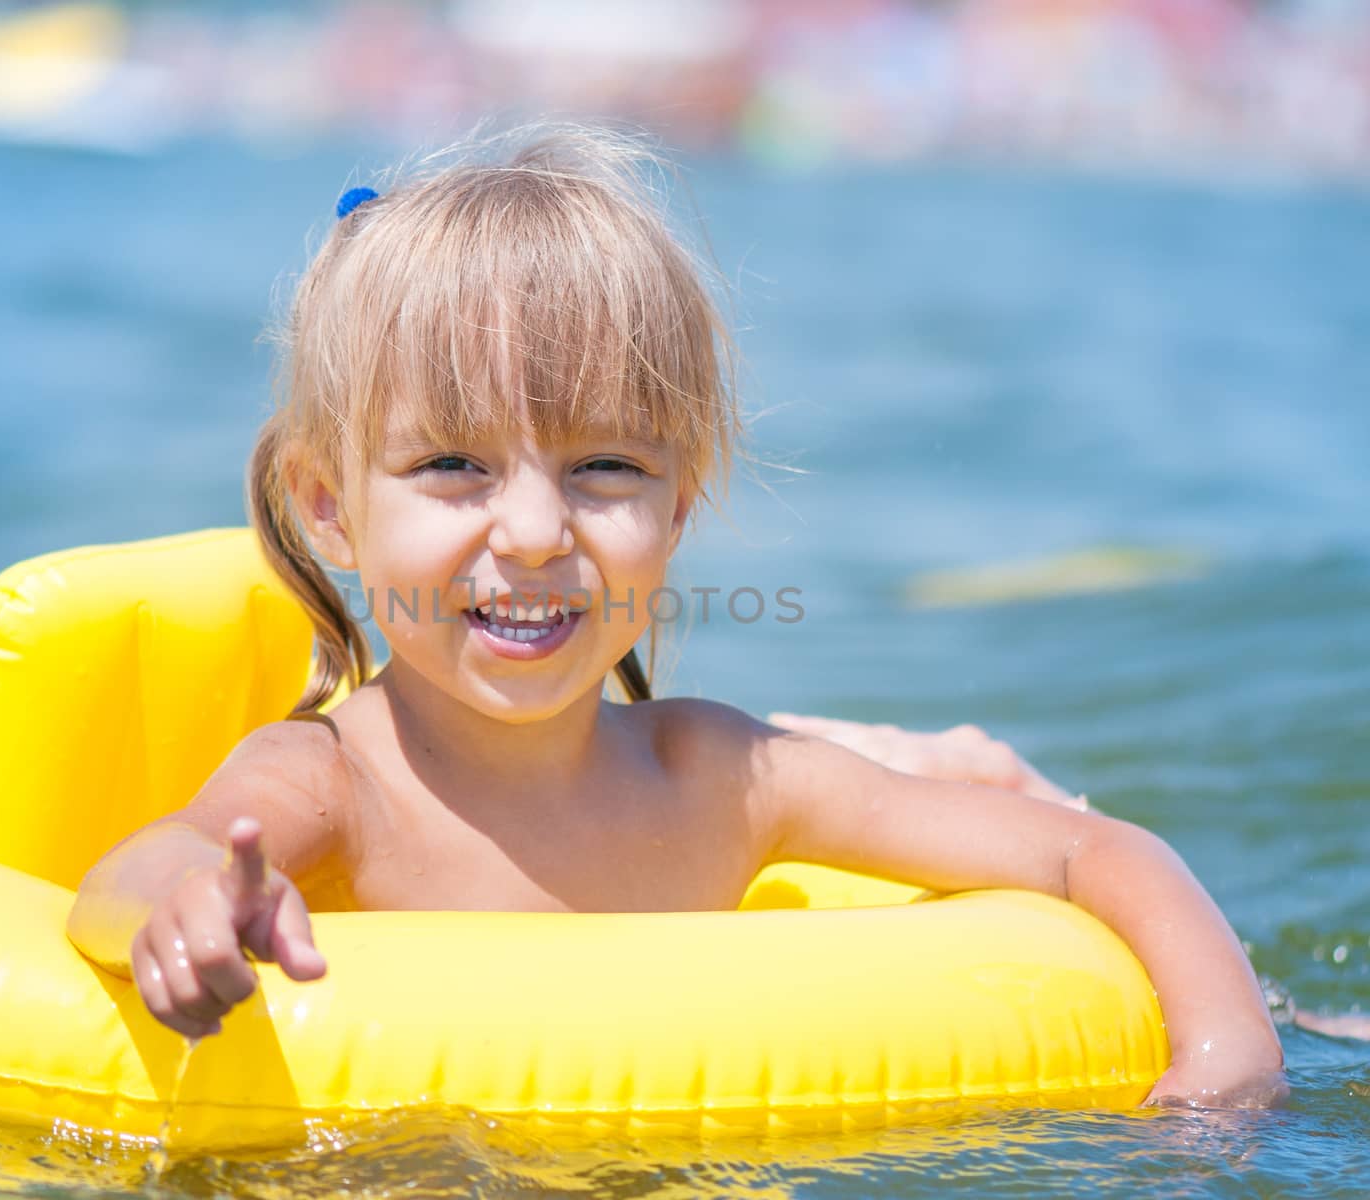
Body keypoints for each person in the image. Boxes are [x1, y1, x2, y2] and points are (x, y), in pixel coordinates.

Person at [66, 123, 1282, 1108]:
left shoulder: (721, 777)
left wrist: (1231, 1060)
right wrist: (186, 908)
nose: (538, 531)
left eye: (605, 467)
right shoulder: (332, 787)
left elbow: (1091, 850)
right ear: (329, 509)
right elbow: (140, 865)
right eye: (452, 466)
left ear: (679, 505)